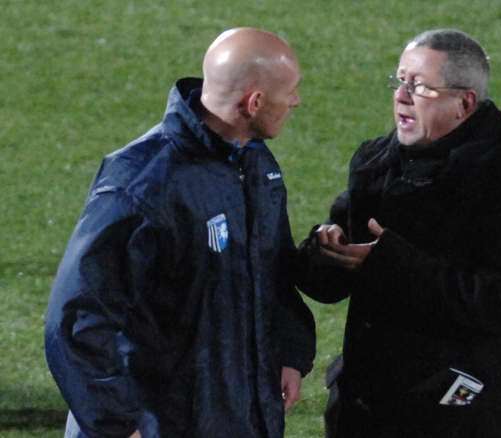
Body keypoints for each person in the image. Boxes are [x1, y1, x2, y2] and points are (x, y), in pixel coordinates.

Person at [45, 27, 316, 438]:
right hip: (159, 422)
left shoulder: (256, 163)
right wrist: (120, 426)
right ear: (254, 102)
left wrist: (289, 353)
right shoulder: (142, 184)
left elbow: (269, 271)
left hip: (235, 414)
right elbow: (80, 315)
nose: (296, 100)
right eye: (290, 91)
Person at [297, 29, 501, 437]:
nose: (401, 95)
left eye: (419, 86)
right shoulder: (375, 164)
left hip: (455, 413)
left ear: (464, 103)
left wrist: (388, 262)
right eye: (399, 80)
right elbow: (327, 286)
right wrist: (325, 249)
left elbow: (499, 306)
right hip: (364, 409)